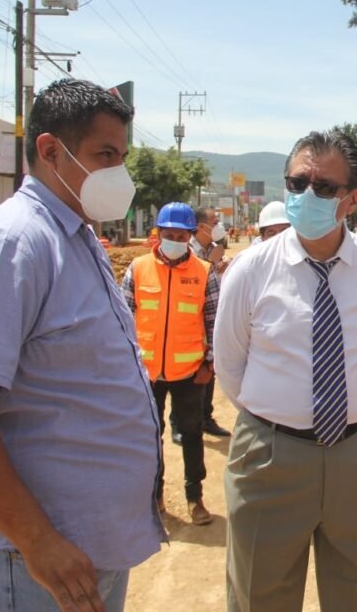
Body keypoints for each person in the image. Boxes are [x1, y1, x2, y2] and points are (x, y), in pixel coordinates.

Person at [0, 78, 163, 612]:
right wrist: (37, 540)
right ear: (51, 150)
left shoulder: (72, 237)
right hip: (27, 562)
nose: (119, 172)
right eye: (105, 154)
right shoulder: (14, 245)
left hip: (76, 554)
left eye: (122, 156)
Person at [214, 130, 357, 611]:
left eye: (323, 188)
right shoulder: (250, 270)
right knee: (260, 595)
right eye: (297, 183)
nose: (306, 196)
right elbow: (231, 364)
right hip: (270, 458)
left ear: (353, 199)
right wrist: (281, 418)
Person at [121, 201, 219, 525]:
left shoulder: (204, 273)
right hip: (146, 373)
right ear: (158, 233)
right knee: (150, 436)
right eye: (169, 233)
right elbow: (122, 319)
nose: (174, 239)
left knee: (191, 434)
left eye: (181, 234)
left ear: (190, 235)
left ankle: (195, 497)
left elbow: (213, 322)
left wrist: (210, 364)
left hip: (190, 373)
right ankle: (156, 496)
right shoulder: (137, 269)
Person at [188, 206, 231, 440]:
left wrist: (221, 268)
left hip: (211, 316)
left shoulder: (215, 249)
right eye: (214, 222)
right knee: (188, 375)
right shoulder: (188, 249)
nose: (218, 226)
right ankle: (180, 422)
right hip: (190, 318)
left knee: (209, 367)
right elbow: (190, 276)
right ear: (200, 227)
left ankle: (206, 417)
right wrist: (211, 264)